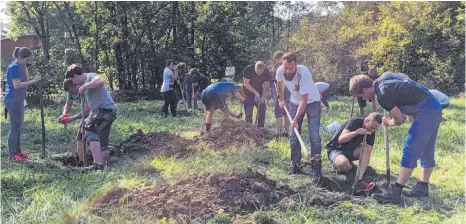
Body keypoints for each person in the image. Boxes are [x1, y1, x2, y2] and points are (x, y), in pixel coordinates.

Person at [349, 71, 442, 205]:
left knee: (411, 148)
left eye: (361, 95)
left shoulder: (383, 95)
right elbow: (406, 79)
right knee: (426, 150)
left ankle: (395, 192)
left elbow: (399, 119)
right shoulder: (385, 77)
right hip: (432, 104)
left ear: (365, 89)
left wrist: (389, 122)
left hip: (426, 111)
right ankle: (422, 187)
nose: (363, 98)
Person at [276, 52, 323, 179]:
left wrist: (295, 119)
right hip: (294, 103)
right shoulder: (280, 70)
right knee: (293, 134)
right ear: (282, 64)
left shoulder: (304, 74)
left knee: (314, 136)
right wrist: (281, 99)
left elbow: (304, 100)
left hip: (312, 103)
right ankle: (296, 164)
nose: (288, 71)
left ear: (296, 65)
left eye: (291, 68)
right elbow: (279, 84)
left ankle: (316, 167)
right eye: (286, 67)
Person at [65, 64, 117, 171]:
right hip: (99, 112)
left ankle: (98, 165)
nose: (73, 83)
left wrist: (85, 86)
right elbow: (91, 107)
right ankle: (106, 166)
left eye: (72, 80)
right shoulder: (84, 84)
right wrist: (88, 118)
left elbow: (100, 82)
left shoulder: (91, 77)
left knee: (90, 131)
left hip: (106, 110)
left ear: (76, 75)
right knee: (101, 142)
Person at [325, 112, 382, 195]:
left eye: (375, 129)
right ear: (366, 120)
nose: (372, 130)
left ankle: (359, 179)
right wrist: (356, 132)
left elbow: (368, 151)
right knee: (344, 164)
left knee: (367, 148)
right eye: (372, 127)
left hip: (351, 152)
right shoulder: (354, 122)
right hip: (335, 150)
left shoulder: (371, 131)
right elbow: (341, 139)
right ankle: (347, 168)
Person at [4, 47, 42, 162]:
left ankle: (18, 152)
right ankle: (12, 156)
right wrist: (35, 81)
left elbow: (27, 78)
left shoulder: (20, 65)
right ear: (20, 57)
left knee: (19, 127)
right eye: (27, 60)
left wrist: (25, 66)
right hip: (13, 100)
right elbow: (17, 85)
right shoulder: (14, 67)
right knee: (14, 128)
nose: (28, 62)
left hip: (19, 99)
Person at [59, 79, 91, 166]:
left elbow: (86, 111)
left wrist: (71, 118)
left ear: (75, 85)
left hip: (95, 113)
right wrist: (64, 114)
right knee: (80, 137)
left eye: (72, 90)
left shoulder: (85, 91)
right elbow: (68, 104)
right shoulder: (71, 91)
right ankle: (81, 162)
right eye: (70, 92)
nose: (72, 93)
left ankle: (97, 161)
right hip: (87, 114)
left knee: (92, 138)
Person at [269, 51, 291, 138]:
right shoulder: (278, 68)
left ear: (280, 57)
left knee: (281, 111)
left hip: (285, 91)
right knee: (282, 111)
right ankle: (282, 133)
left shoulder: (285, 67)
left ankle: (281, 133)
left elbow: (283, 82)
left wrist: (279, 95)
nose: (277, 61)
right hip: (285, 91)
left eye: (277, 59)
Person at [242, 61, 270, 128]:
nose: (259, 74)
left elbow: (266, 85)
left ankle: (260, 128)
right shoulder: (248, 69)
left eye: (261, 72)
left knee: (262, 111)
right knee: (248, 112)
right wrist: (256, 93)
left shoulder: (266, 71)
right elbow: (246, 84)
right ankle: (249, 128)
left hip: (260, 93)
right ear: (255, 67)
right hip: (248, 93)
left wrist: (263, 97)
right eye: (258, 72)